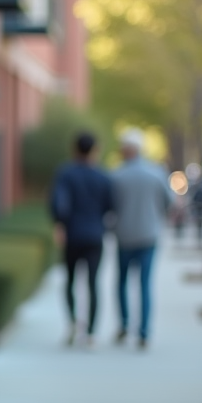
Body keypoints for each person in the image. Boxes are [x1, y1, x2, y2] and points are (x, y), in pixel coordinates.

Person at [111, 128, 175, 349]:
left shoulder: (116, 175)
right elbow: (169, 203)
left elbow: (109, 207)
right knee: (145, 284)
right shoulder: (156, 173)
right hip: (149, 236)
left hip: (124, 236)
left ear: (125, 150)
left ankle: (124, 325)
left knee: (122, 283)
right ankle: (144, 332)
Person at [50, 131, 114, 347]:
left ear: (74, 149)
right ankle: (91, 333)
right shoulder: (102, 176)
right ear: (95, 150)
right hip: (95, 235)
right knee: (93, 283)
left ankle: (71, 324)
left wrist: (59, 224)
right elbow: (110, 205)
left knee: (69, 280)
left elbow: (59, 202)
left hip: (72, 235)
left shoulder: (66, 174)